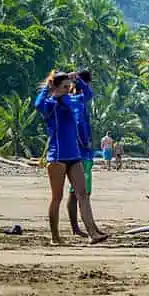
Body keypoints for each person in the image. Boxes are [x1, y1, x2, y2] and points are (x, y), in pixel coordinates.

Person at [34, 71, 107, 245]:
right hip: (57, 156)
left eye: (69, 87)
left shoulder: (73, 101)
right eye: (64, 87)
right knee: (57, 198)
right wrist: (48, 89)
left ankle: (92, 234)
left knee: (83, 194)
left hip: (74, 155)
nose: (68, 89)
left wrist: (78, 80)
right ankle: (55, 237)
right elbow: (37, 104)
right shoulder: (50, 105)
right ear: (56, 87)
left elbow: (88, 94)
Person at [66, 70, 95, 238]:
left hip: (82, 152)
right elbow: (77, 123)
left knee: (77, 192)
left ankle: (81, 227)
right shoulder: (76, 100)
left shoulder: (75, 100)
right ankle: (82, 228)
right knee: (81, 192)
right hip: (81, 153)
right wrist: (84, 142)